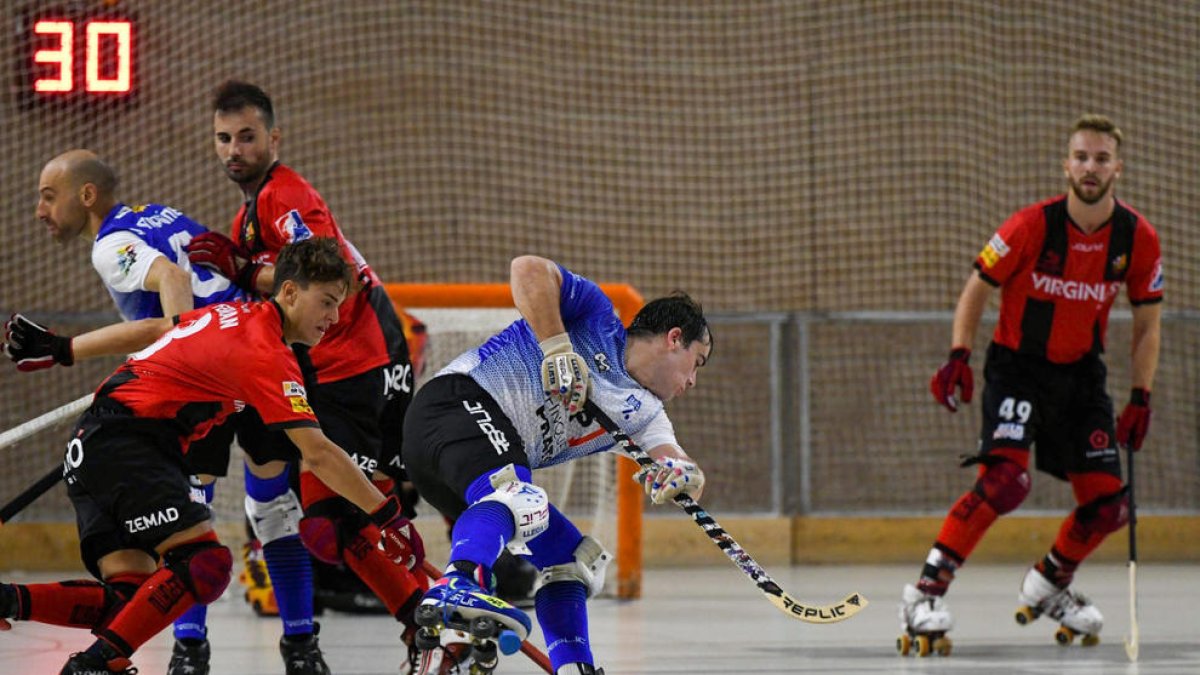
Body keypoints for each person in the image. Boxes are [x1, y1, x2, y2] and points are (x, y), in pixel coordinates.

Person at [0, 238, 424, 675]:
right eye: (328, 302)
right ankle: (94, 665)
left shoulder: (230, 314)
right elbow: (317, 453)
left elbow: (157, 329)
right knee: (205, 563)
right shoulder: (268, 352)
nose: (334, 318)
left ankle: (8, 601)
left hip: (93, 449)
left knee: (131, 604)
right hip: (131, 445)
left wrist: (65, 349)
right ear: (291, 292)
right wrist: (388, 515)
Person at [31, 149, 324, 675]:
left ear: (87, 195)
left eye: (49, 196)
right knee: (274, 510)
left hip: (206, 377)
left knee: (191, 517)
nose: (40, 210)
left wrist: (183, 345)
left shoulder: (110, 244)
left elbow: (171, 276)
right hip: (259, 351)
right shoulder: (159, 213)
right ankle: (302, 649)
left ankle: (189, 651)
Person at [186, 80, 434, 672]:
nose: (233, 150)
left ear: (274, 138)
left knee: (334, 521)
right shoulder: (249, 211)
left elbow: (329, 274)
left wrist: (245, 271)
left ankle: (423, 616)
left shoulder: (284, 195)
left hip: (352, 364)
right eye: (223, 138)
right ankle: (412, 621)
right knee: (319, 528)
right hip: (306, 366)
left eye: (247, 136)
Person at [905, 114, 1163, 652]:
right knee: (1005, 483)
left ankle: (1049, 582)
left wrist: (1142, 395)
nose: (1090, 167)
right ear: (1065, 164)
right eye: (1081, 157)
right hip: (1018, 369)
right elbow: (978, 286)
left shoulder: (1136, 238)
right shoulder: (1030, 226)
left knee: (1111, 506)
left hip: (1081, 377)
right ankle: (925, 593)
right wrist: (959, 355)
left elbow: (1147, 323)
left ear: (1118, 167)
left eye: (1101, 158)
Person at [402, 255, 713, 675]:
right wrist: (557, 348)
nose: (692, 381)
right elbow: (527, 267)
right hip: (452, 405)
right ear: (675, 338)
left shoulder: (646, 415)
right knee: (521, 496)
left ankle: (574, 667)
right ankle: (458, 582)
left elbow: (681, 468)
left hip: (469, 475)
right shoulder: (596, 317)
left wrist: (683, 477)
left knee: (576, 562)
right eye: (697, 362)